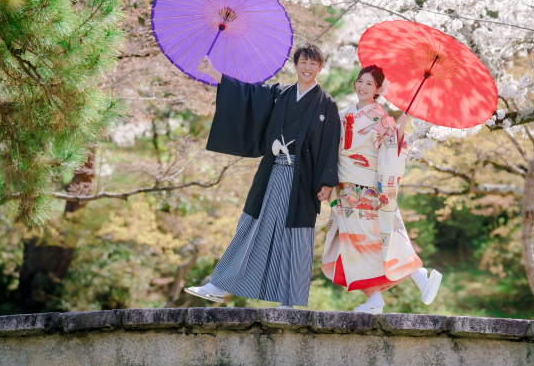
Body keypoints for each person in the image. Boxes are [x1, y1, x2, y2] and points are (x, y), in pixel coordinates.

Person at [185, 43, 341, 309]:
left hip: (302, 182)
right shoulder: (280, 93)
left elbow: (329, 144)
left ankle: (289, 301)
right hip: (273, 172)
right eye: (303, 62)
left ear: (320, 68)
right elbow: (248, 94)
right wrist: (214, 72)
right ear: (296, 65)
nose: (307, 67)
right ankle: (219, 285)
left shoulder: (327, 104)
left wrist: (326, 183)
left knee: (295, 236)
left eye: (313, 63)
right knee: (253, 227)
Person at [321, 65, 442, 313]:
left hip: (367, 189)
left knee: (372, 240)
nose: (362, 87)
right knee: (358, 243)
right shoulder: (342, 114)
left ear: (377, 90)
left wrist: (398, 132)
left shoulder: (383, 119)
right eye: (360, 81)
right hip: (345, 186)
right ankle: (379, 296)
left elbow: (391, 152)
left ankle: (417, 277)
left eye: (369, 84)